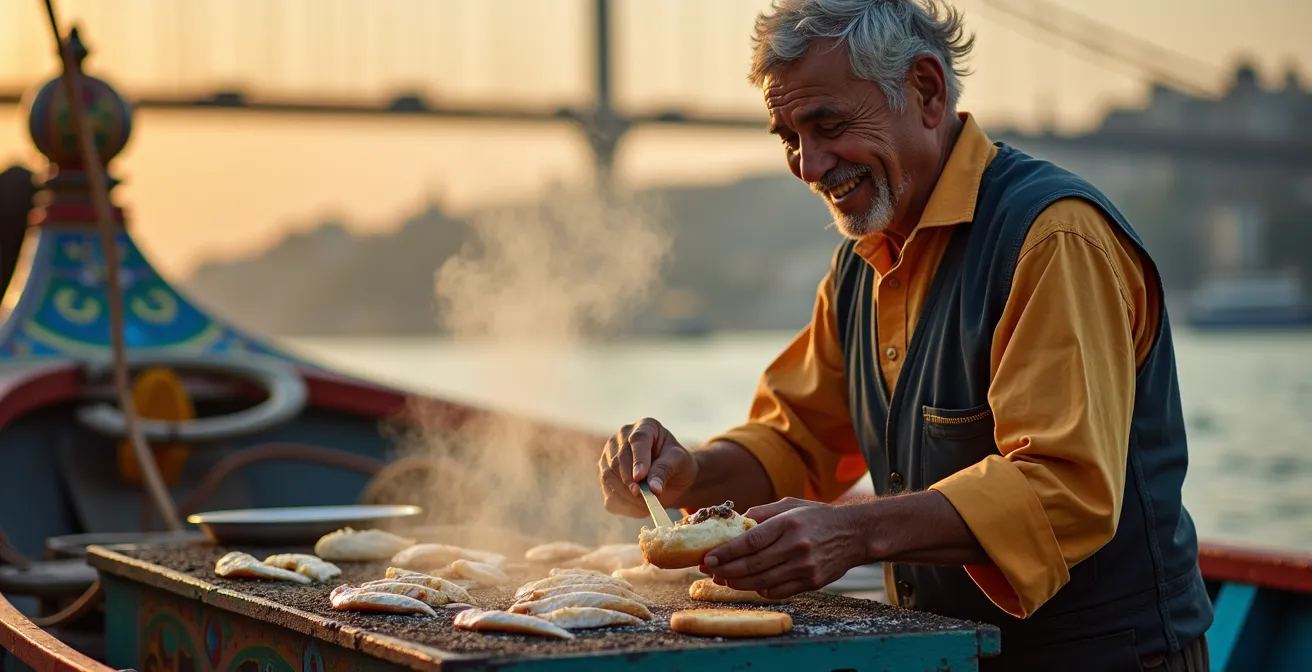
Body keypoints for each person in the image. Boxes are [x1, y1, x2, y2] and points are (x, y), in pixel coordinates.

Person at [597, 0, 1213, 669]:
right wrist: (687, 474)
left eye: (828, 125)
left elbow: (1064, 489)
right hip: (955, 655)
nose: (809, 165)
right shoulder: (860, 266)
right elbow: (795, 441)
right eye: (789, 138)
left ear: (926, 90)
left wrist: (854, 533)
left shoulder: (1051, 238)